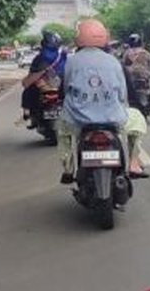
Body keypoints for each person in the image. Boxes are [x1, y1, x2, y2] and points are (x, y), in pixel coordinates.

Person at [57, 19, 128, 184]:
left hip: (79, 119)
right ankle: (134, 163)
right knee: (134, 130)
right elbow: (122, 94)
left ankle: (68, 169)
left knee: (63, 133)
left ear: (79, 38)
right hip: (112, 118)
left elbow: (66, 88)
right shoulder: (113, 61)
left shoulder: (72, 61)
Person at [21, 31, 65, 125]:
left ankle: (27, 112)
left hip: (43, 88)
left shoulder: (39, 58)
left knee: (28, 89)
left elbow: (31, 75)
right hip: (60, 87)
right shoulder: (63, 56)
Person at [122, 33, 150, 117]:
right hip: (144, 78)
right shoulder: (146, 53)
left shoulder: (127, 53)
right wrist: (148, 74)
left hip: (131, 79)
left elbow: (123, 66)